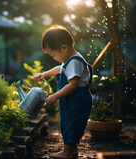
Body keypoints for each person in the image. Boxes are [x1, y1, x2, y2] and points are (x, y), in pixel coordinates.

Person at [33, 25, 93, 159]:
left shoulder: (74, 62)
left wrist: (55, 96)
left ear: (64, 48)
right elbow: (59, 69)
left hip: (77, 100)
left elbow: (72, 85)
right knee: (69, 123)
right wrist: (44, 74)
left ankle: (67, 152)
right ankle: (72, 150)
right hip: (71, 100)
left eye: (54, 54)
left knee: (72, 123)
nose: (54, 58)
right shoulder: (68, 61)